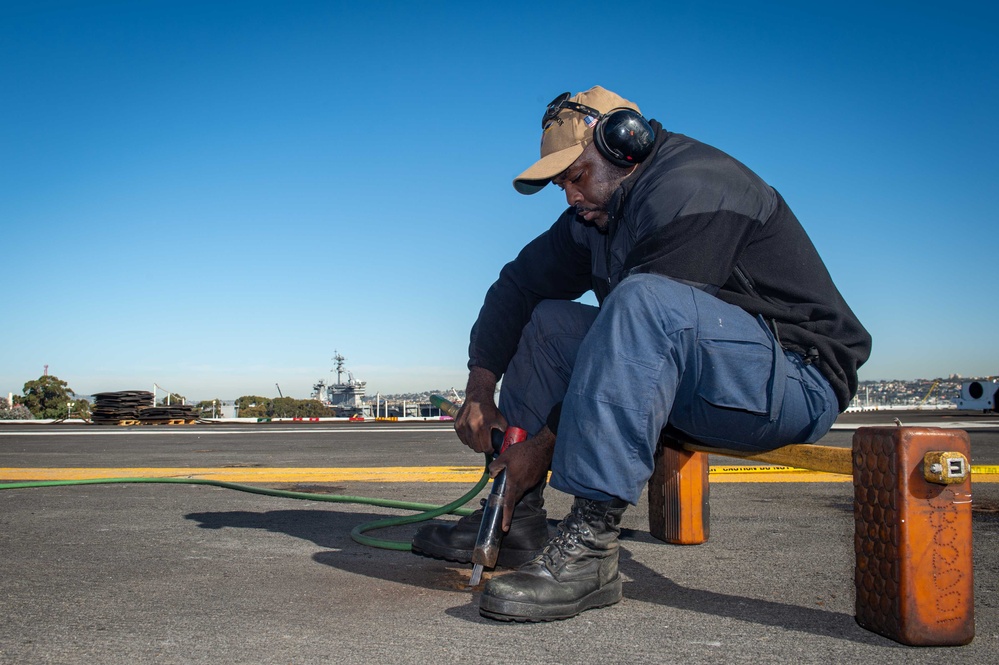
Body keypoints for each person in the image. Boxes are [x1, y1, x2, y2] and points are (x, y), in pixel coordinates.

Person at [412, 86, 872, 622]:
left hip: (795, 379)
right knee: (550, 321)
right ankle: (516, 519)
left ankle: (590, 549)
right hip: (696, 381)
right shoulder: (596, 216)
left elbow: (648, 330)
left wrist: (540, 445)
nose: (570, 197)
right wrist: (478, 389)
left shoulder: (696, 187)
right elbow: (516, 285)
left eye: (576, 176)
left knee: (641, 299)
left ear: (623, 145)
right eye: (561, 183)